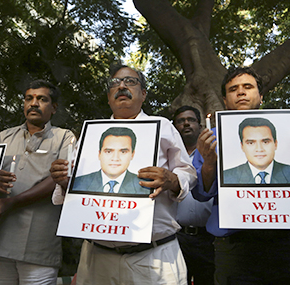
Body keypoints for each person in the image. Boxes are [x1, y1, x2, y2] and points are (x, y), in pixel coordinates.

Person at [51, 65, 196, 285]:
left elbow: (188, 172)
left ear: (143, 93)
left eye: (130, 82)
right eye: (115, 84)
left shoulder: (163, 126)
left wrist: (173, 180)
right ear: (109, 97)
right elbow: (71, 188)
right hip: (96, 257)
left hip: (153, 258)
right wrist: (64, 182)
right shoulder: (91, 135)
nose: (121, 86)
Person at [192, 67, 290, 284]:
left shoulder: (289, 132)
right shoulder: (210, 139)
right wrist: (208, 164)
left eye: (248, 87)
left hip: (288, 243)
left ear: (261, 97)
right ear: (225, 100)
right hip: (235, 247)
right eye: (233, 89)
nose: (241, 92)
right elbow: (202, 194)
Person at [0, 80, 74, 285]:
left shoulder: (65, 137)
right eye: (29, 98)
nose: (33, 103)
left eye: (42, 99)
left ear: (54, 108)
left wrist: (13, 202)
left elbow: (59, 179)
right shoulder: (4, 136)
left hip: (38, 246)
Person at [173, 105, 215, 285]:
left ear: (200, 125)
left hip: (209, 240)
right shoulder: (169, 155)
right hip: (177, 238)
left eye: (191, 120)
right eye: (181, 121)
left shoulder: (213, 153)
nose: (186, 124)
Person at [223, 117, 290, 184]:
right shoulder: (226, 177)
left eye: (265, 142)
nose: (259, 149)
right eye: (251, 143)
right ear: (242, 146)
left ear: (275, 144)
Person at [72, 126, 149, 194]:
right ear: (99, 154)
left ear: (132, 154)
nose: (115, 158)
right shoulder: (78, 183)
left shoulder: (145, 187)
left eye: (123, 152)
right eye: (108, 151)